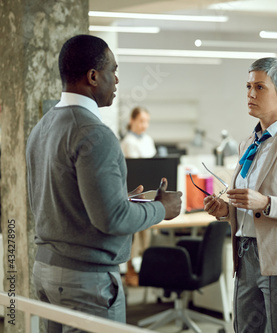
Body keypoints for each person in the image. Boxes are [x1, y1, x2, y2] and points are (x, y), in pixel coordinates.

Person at [26, 34, 182, 332]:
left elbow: (66, 201)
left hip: (46, 270)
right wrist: (162, 208)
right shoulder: (94, 134)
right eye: (113, 70)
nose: (118, 79)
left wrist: (116, 198)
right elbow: (112, 219)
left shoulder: (43, 126)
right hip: (85, 281)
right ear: (94, 76)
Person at [203, 57, 277, 332]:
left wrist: (267, 204)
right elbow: (248, 206)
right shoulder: (248, 143)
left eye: (259, 87)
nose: (250, 94)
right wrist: (226, 210)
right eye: (248, 86)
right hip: (245, 255)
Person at [120, 106, 157, 286]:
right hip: (134, 194)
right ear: (132, 121)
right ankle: (130, 270)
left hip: (148, 193)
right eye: (141, 121)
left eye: (147, 122)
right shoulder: (127, 142)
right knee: (134, 235)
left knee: (147, 234)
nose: (144, 125)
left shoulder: (148, 140)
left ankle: (144, 268)